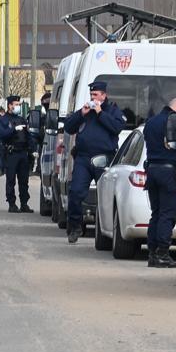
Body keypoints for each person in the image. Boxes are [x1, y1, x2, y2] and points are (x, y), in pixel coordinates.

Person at [62, 81, 125, 243]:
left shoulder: (112, 111)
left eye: (96, 95)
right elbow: (68, 128)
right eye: (91, 95)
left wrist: (100, 113)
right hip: (83, 158)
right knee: (75, 192)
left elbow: (117, 127)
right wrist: (80, 114)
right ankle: (75, 227)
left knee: (105, 196)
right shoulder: (86, 111)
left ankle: (106, 230)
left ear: (104, 95)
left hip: (104, 158)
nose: (93, 97)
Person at [141, 98, 176, 268]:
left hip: (152, 171)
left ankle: (152, 253)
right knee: (167, 214)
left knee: (156, 213)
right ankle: (162, 253)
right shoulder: (175, 120)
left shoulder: (151, 122)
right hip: (169, 173)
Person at [0, 95, 37, 213]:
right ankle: (12, 203)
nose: (18, 107)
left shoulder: (22, 119)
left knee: (24, 180)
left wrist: (33, 149)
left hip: (23, 153)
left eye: (19, 105)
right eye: (16, 105)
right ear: (10, 106)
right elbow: (1, 134)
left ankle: (24, 203)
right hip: (11, 153)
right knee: (11, 180)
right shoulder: (3, 120)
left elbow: (28, 136)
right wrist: (13, 130)